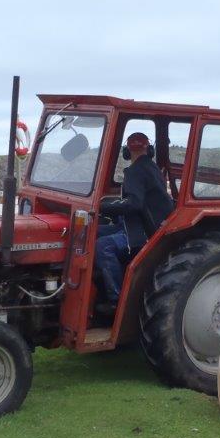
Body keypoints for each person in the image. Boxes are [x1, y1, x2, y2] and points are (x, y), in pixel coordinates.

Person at [94, 131, 173, 306]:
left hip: (143, 231)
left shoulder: (135, 171)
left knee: (102, 246)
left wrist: (101, 207)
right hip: (140, 223)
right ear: (149, 150)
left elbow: (134, 203)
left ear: (127, 152)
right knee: (92, 231)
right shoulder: (153, 169)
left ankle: (117, 300)